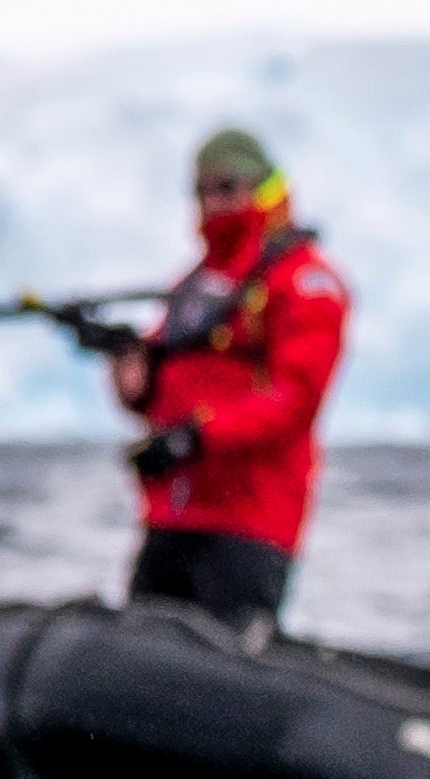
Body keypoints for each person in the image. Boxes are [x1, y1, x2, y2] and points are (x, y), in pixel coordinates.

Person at [112, 126, 351, 629]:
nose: (212, 202)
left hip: (250, 520)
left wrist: (196, 436)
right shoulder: (193, 284)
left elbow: (294, 398)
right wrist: (134, 379)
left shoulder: (302, 281)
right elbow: (159, 389)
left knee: (219, 666)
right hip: (171, 515)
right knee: (139, 657)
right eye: (201, 190)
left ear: (260, 187)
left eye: (226, 187)